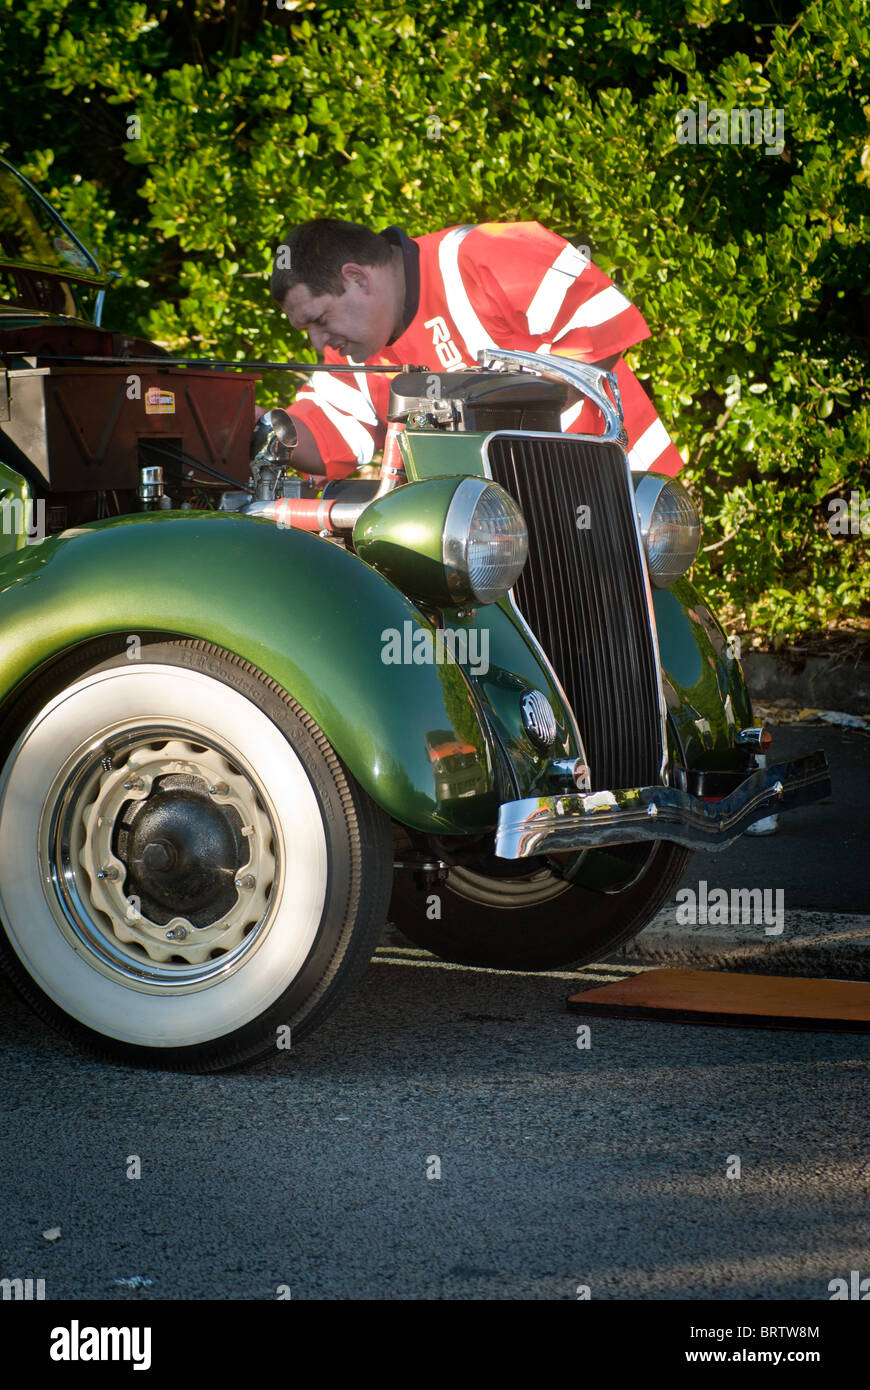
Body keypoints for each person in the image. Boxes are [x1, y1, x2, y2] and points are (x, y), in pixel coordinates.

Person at [269, 217, 684, 481]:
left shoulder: (481, 253)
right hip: (499, 548)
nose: (319, 343)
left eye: (320, 320)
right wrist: (249, 426)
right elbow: (324, 434)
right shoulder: (354, 353)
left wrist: (491, 412)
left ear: (357, 278)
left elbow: (601, 318)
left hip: (627, 499)